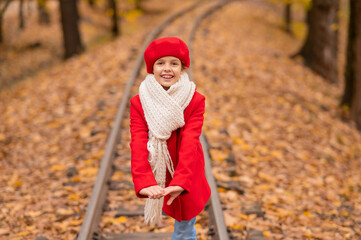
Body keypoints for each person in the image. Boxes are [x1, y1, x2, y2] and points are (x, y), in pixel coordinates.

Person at [129, 37, 211, 240]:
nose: (167, 69)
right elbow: (138, 142)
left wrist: (182, 181)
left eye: (174, 63)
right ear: (152, 68)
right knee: (176, 216)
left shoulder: (195, 100)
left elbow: (191, 141)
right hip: (159, 168)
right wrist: (144, 180)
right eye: (160, 63)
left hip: (187, 167)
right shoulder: (140, 102)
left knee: (185, 223)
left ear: (182, 68)